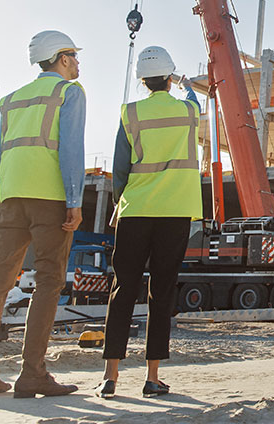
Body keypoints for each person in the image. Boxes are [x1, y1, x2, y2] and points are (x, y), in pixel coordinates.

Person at [0, 30, 86, 398]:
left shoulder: (12, 99)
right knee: (49, 281)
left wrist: (3, 199)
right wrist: (74, 200)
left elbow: (4, 153)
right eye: (75, 57)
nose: (78, 63)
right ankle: (32, 374)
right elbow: (71, 149)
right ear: (62, 59)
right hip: (49, 197)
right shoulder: (69, 92)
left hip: (12, 197)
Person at [98, 46, 201, 399]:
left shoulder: (130, 113)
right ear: (169, 78)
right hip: (175, 211)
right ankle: (152, 377)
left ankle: (110, 376)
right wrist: (187, 85)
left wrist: (118, 202)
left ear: (142, 80)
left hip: (136, 210)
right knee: (161, 292)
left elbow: (120, 166)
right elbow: (196, 102)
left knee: (122, 289)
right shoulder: (188, 111)